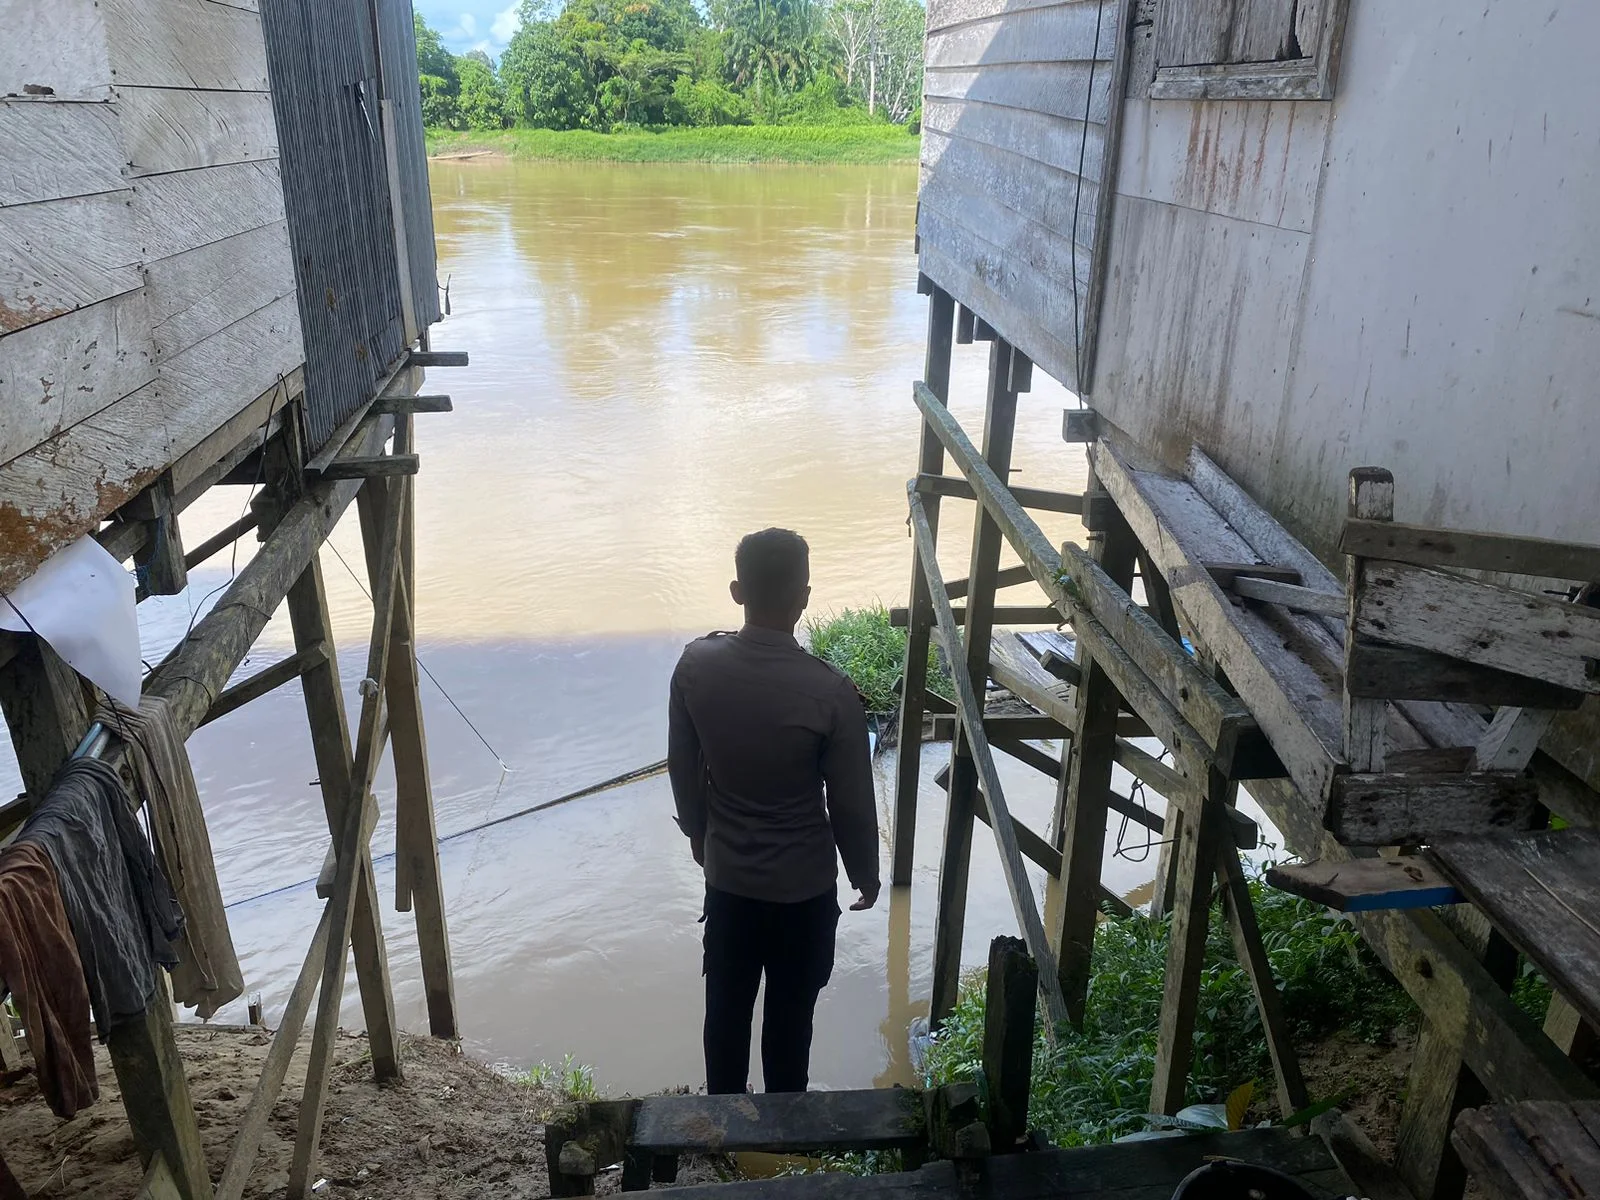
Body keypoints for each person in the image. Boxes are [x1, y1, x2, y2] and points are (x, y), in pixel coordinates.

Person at [668, 528, 880, 1095]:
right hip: (803, 894)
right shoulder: (832, 693)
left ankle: (724, 1134)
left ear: (738, 592)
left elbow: (682, 768)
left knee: (725, 1021)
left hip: (730, 885)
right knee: (790, 1032)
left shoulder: (695, 667)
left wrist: (698, 836)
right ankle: (786, 1137)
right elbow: (852, 803)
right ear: (804, 597)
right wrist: (866, 874)